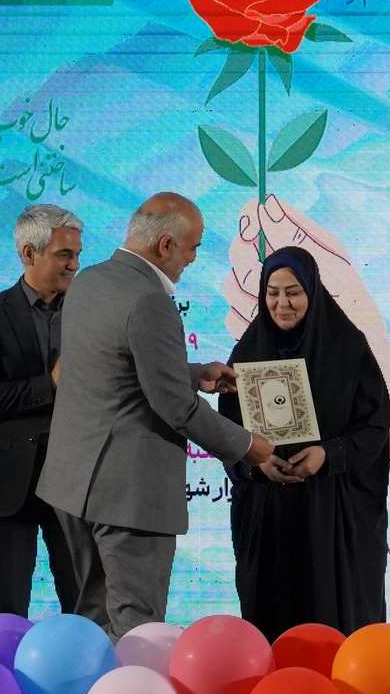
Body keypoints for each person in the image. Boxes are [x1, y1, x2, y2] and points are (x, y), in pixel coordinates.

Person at [36, 193, 282, 638]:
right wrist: (249, 446)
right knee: (137, 631)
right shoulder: (150, 300)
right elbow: (176, 409)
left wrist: (192, 373)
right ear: (165, 246)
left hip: (73, 485)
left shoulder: (89, 280)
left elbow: (110, 366)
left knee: (94, 623)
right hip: (128, 497)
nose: (193, 259)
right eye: (193, 247)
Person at [216, 245, 390, 639]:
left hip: (332, 518)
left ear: (312, 290)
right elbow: (228, 433)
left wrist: (328, 454)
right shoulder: (248, 352)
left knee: (334, 625)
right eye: (272, 293)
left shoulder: (348, 348)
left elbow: (375, 426)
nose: (282, 304)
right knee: (273, 627)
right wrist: (257, 463)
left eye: (293, 292)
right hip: (271, 521)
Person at [0, 202, 83, 618]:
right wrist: (49, 384)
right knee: (7, 612)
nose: (74, 265)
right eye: (64, 255)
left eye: (77, 254)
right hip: (7, 486)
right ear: (29, 253)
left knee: (84, 608)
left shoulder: (89, 312)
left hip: (75, 483)